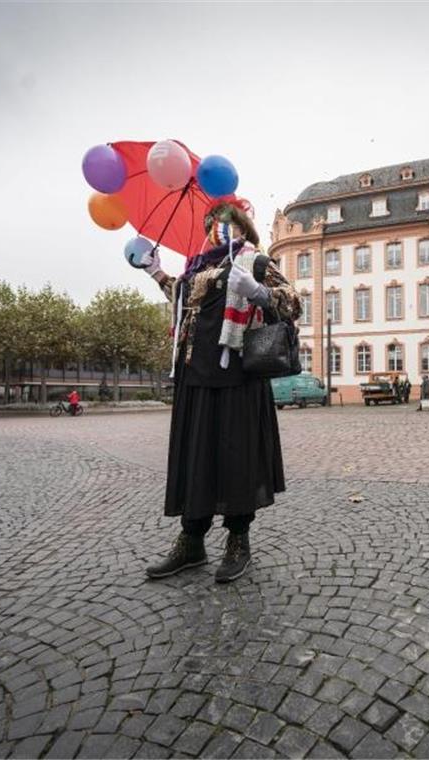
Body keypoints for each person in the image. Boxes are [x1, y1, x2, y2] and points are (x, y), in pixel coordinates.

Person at [138, 199, 300, 583]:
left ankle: (237, 541)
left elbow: (293, 303)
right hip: (195, 374)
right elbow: (181, 302)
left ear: (244, 228)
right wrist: (156, 272)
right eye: (212, 222)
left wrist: (259, 292)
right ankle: (192, 541)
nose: (218, 227)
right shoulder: (197, 267)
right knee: (196, 458)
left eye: (228, 222)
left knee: (236, 457)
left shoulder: (255, 260)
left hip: (238, 378)